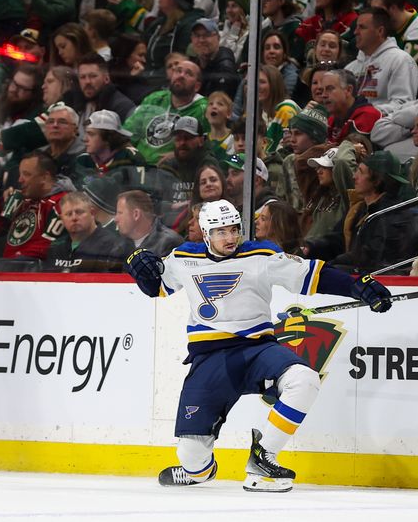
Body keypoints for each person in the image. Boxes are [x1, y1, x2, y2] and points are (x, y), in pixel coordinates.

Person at [124, 200, 392, 492]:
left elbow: (313, 275)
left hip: (257, 349)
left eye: (234, 229)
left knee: (304, 379)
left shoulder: (261, 255)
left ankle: (262, 460)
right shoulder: (184, 257)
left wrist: (357, 286)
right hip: (210, 358)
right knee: (191, 457)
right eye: (220, 231)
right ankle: (198, 471)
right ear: (204, 232)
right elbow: (156, 287)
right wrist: (138, 265)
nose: (229, 237)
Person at [0, 150, 71, 261]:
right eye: (20, 174)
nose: (19, 180)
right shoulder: (23, 199)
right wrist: (2, 205)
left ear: (44, 177)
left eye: (26, 174)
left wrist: (12, 261)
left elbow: (48, 246)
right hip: (9, 266)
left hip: (34, 270)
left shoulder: (63, 202)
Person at [124, 59, 209, 165]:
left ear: (197, 86)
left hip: (171, 171)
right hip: (136, 166)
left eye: (188, 73)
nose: (181, 75)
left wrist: (178, 155)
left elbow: (209, 147)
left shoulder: (204, 109)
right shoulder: (154, 99)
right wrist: (131, 152)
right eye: (178, 71)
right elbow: (127, 135)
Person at [345, 7, 418, 116]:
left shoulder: (400, 60)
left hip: (383, 127)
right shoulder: (350, 68)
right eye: (356, 27)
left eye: (362, 27)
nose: (355, 32)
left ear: (380, 31)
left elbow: (403, 105)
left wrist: (366, 113)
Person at [45, 191, 127, 272]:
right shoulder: (56, 247)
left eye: (79, 212)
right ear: (62, 219)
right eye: (69, 214)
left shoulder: (112, 245)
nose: (74, 218)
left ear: (92, 213)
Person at [321, 69, 381, 145]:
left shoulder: (368, 115)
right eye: (322, 90)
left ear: (348, 90)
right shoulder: (331, 119)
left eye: (330, 89)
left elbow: (351, 154)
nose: (323, 95)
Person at [115, 189, 183, 257]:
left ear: (136, 214)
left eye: (120, 213)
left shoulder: (169, 243)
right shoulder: (121, 245)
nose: (116, 219)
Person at [190, 17, 240, 100]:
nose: (201, 40)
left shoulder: (225, 64)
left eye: (207, 35)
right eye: (197, 35)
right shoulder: (195, 63)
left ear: (218, 38)